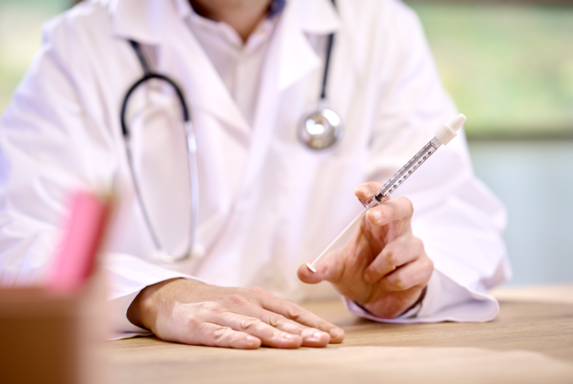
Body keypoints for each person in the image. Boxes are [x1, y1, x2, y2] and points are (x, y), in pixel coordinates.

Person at [0, 0, 510, 349]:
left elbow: (456, 215)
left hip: (332, 358)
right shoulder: (82, 42)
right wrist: (152, 294)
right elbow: (19, 235)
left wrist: (403, 278)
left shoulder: (378, 25)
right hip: (154, 366)